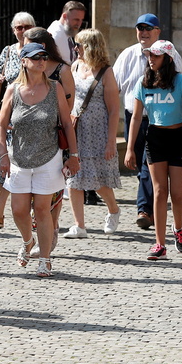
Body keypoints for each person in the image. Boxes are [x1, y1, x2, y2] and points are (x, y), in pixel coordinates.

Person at [0, 43, 80, 278]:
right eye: (35, 57)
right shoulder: (13, 90)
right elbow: (1, 125)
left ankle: (45, 259)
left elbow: (67, 123)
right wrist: (3, 156)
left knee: (43, 210)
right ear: (24, 61)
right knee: (18, 210)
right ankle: (27, 240)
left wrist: (73, 155)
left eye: (44, 57)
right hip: (19, 159)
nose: (41, 61)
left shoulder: (55, 88)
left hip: (49, 158)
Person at [125, 40, 182, 260]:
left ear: (167, 58)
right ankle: (159, 244)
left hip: (178, 137)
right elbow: (136, 117)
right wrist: (130, 148)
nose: (151, 59)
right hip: (155, 138)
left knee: (177, 194)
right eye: (150, 55)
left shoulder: (180, 81)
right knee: (159, 191)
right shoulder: (144, 82)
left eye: (156, 56)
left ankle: (178, 228)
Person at [114, 13, 182, 230]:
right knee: (140, 165)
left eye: (148, 28)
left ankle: (145, 210)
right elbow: (114, 86)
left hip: (161, 121)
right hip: (134, 118)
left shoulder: (172, 54)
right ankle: (153, 204)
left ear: (158, 31)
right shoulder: (127, 55)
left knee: (148, 166)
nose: (144, 32)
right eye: (140, 28)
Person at [0, 11, 36, 229]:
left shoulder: (38, 52)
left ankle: (35, 212)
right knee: (6, 162)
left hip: (32, 114)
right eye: (19, 27)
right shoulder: (8, 51)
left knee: (31, 165)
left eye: (26, 27)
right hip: (10, 114)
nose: (23, 31)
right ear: (13, 30)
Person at [64, 28, 123, 237]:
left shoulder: (106, 72)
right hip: (77, 129)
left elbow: (114, 109)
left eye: (78, 45)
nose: (75, 48)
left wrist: (111, 141)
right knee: (73, 176)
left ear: (89, 47)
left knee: (97, 180)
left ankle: (113, 210)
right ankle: (79, 225)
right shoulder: (75, 66)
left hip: (98, 131)